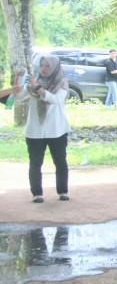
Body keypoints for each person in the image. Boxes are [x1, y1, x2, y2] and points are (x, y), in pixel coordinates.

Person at [15, 55, 71, 202]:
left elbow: (54, 99)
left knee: (60, 161)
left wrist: (37, 87)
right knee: (35, 162)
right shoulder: (33, 83)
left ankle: (62, 191)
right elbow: (18, 96)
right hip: (35, 131)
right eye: (42, 66)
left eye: (48, 66)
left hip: (56, 130)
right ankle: (37, 193)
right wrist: (18, 78)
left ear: (55, 67)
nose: (44, 69)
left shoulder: (62, 84)